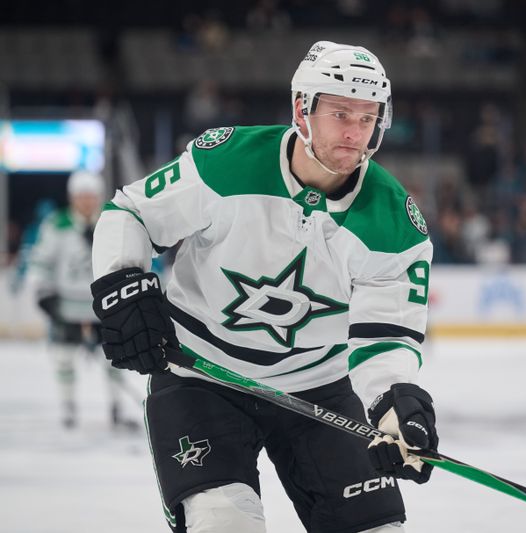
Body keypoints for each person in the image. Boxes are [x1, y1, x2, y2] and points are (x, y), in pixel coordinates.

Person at [90, 41, 437, 533]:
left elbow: (387, 336)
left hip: (321, 388)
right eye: (341, 113)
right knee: (223, 524)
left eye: (367, 118)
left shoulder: (396, 224)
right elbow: (130, 213)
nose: (355, 133)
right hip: (202, 376)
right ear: (302, 108)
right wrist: (122, 281)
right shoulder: (226, 162)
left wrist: (394, 403)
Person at [28, 171, 137, 429]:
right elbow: (41, 261)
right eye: (81, 196)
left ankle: (115, 408)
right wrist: (44, 293)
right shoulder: (56, 224)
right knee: (64, 357)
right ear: (72, 197)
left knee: (114, 358)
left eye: (91, 196)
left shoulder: (112, 220)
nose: (86, 202)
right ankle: (68, 408)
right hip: (67, 305)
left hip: (105, 304)